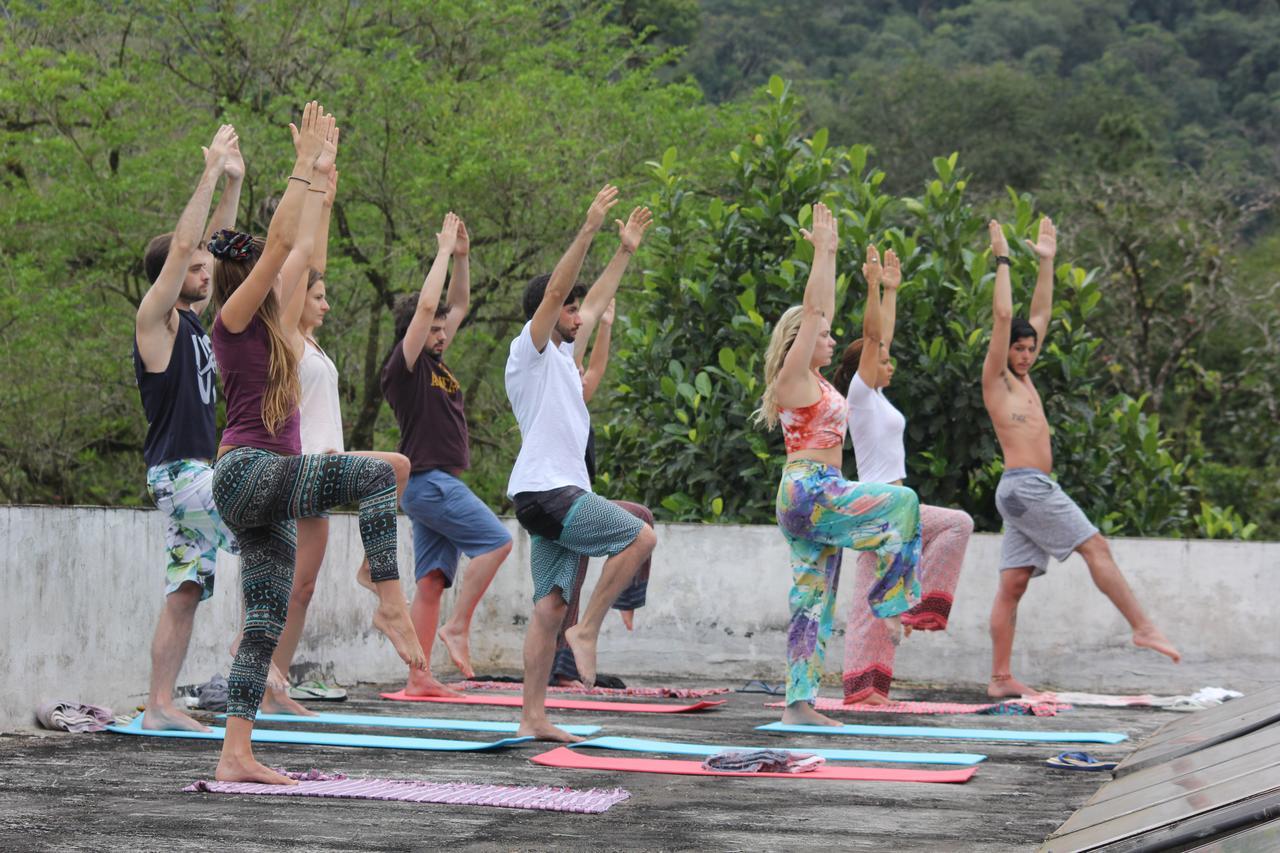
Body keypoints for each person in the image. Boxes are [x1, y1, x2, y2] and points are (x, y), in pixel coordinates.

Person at [208, 103, 425, 784]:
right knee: (376, 473)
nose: (292, 282)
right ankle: (389, 598)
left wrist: (326, 184)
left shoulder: (284, 331)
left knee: (267, 618)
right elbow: (279, 248)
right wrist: (299, 167)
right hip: (245, 473)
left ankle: (235, 752)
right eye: (273, 278)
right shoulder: (234, 321)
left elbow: (305, 253)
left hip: (265, 486)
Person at [982, 216, 1180, 699]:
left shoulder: (1025, 377)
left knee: (1012, 587)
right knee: (1096, 548)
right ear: (1004, 352)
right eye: (1019, 350)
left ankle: (1000, 678)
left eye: (1031, 350)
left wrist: (1047, 262)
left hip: (1022, 493)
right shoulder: (997, 380)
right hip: (1027, 487)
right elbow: (1005, 318)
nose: (1027, 356)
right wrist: (1004, 260)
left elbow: (1039, 314)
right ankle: (1142, 626)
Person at [759, 203, 922, 727]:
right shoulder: (794, 379)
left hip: (813, 492)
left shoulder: (824, 384)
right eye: (824, 336)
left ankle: (798, 707)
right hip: (810, 488)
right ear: (799, 342)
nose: (831, 338)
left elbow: (854, 329)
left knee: (812, 601)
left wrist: (860, 276)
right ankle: (892, 602)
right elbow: (814, 313)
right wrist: (824, 254)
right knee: (904, 503)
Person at [504, 185, 656, 741]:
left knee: (548, 607)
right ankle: (588, 630)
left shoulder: (565, 359)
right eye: (568, 307)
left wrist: (624, 251)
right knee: (639, 537)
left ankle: (533, 716)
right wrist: (589, 227)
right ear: (548, 313)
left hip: (541, 498)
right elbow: (561, 296)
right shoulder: (532, 350)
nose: (577, 313)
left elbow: (591, 305)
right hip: (549, 491)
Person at [259, 168, 410, 715]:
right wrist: (316, 199)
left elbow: (314, 266)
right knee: (395, 465)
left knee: (300, 590)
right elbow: (303, 261)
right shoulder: (286, 340)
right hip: (306, 465)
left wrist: (329, 195)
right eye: (317, 296)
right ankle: (375, 571)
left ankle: (272, 686)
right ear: (295, 298)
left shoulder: (316, 349)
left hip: (324, 473)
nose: (324, 304)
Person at [133, 124, 244, 732]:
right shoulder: (157, 321)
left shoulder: (192, 322)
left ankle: (160, 705)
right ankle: (251, 674)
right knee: (270, 537)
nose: (207, 272)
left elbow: (215, 249)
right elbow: (185, 249)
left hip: (187, 478)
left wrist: (234, 182)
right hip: (183, 474)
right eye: (197, 269)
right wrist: (208, 170)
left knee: (184, 592)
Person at [831, 246, 973, 705]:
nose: (890, 363)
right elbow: (874, 338)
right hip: (883, 504)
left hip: (887, 507)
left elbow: (881, 338)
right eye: (883, 360)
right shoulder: (860, 392)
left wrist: (892, 290)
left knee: (865, 601)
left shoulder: (878, 400)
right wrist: (873, 287)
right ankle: (915, 603)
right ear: (864, 368)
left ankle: (865, 689)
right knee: (957, 523)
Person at [381, 212, 513, 697]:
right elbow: (428, 309)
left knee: (432, 581)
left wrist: (462, 256)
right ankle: (457, 626)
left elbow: (457, 303)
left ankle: (419, 677)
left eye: (441, 331)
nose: (441, 335)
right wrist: (438, 252)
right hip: (429, 481)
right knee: (498, 542)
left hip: (432, 485)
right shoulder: (405, 367)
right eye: (433, 331)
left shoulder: (435, 360)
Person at [548, 293, 656, 688]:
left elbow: (595, 366)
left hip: (580, 498)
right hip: (555, 498)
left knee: (639, 516)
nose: (582, 377)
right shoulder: (554, 396)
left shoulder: (577, 398)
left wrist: (606, 326)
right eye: (573, 369)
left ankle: (625, 601)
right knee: (568, 586)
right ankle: (560, 670)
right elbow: (582, 364)